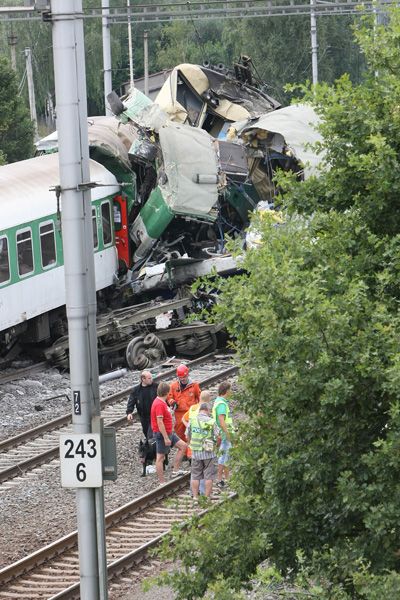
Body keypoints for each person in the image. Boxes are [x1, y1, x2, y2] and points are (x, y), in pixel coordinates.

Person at [150, 381, 187, 484]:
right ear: (166, 392)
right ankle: (162, 482)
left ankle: (175, 470)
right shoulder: (159, 404)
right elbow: (159, 422)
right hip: (162, 434)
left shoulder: (162, 402)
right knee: (160, 458)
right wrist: (166, 438)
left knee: (183, 446)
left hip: (169, 432)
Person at [187, 401, 218, 501]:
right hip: (209, 452)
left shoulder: (192, 420)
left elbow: (187, 434)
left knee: (195, 475)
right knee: (209, 475)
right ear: (207, 410)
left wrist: (190, 445)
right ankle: (207, 497)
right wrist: (217, 446)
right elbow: (218, 436)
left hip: (196, 452)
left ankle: (195, 497)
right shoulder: (211, 421)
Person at [168, 364, 201, 441]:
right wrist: (172, 402)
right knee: (180, 433)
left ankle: (190, 451)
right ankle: (185, 450)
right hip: (179, 414)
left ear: (188, 375)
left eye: (184, 377)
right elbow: (169, 397)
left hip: (191, 414)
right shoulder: (173, 386)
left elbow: (200, 398)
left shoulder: (194, 385)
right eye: (180, 377)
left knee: (192, 433)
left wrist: (200, 410)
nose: (182, 379)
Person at [212, 380, 233, 490]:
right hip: (224, 434)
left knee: (225, 457)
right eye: (230, 390)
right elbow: (221, 420)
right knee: (223, 457)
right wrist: (228, 433)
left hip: (222, 433)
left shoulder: (218, 401)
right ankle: (220, 479)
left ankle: (227, 478)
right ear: (226, 391)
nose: (231, 392)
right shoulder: (221, 404)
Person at [126, 370, 158, 439]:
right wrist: (129, 412)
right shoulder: (136, 390)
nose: (151, 380)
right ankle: (151, 446)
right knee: (146, 432)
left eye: (151, 378)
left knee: (151, 435)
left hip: (154, 416)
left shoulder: (156, 387)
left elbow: (163, 397)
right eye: (149, 378)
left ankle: (153, 447)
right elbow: (131, 402)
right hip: (143, 416)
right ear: (143, 379)